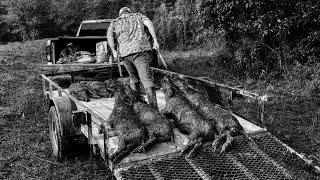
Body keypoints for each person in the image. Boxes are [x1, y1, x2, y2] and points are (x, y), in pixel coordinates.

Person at [107, 7, 160, 109]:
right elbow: (149, 24)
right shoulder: (138, 16)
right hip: (140, 51)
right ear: (129, 12)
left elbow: (109, 34)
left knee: (133, 78)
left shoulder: (115, 22)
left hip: (125, 54)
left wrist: (113, 50)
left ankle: (137, 106)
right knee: (146, 79)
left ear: (120, 14)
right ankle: (154, 109)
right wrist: (155, 40)